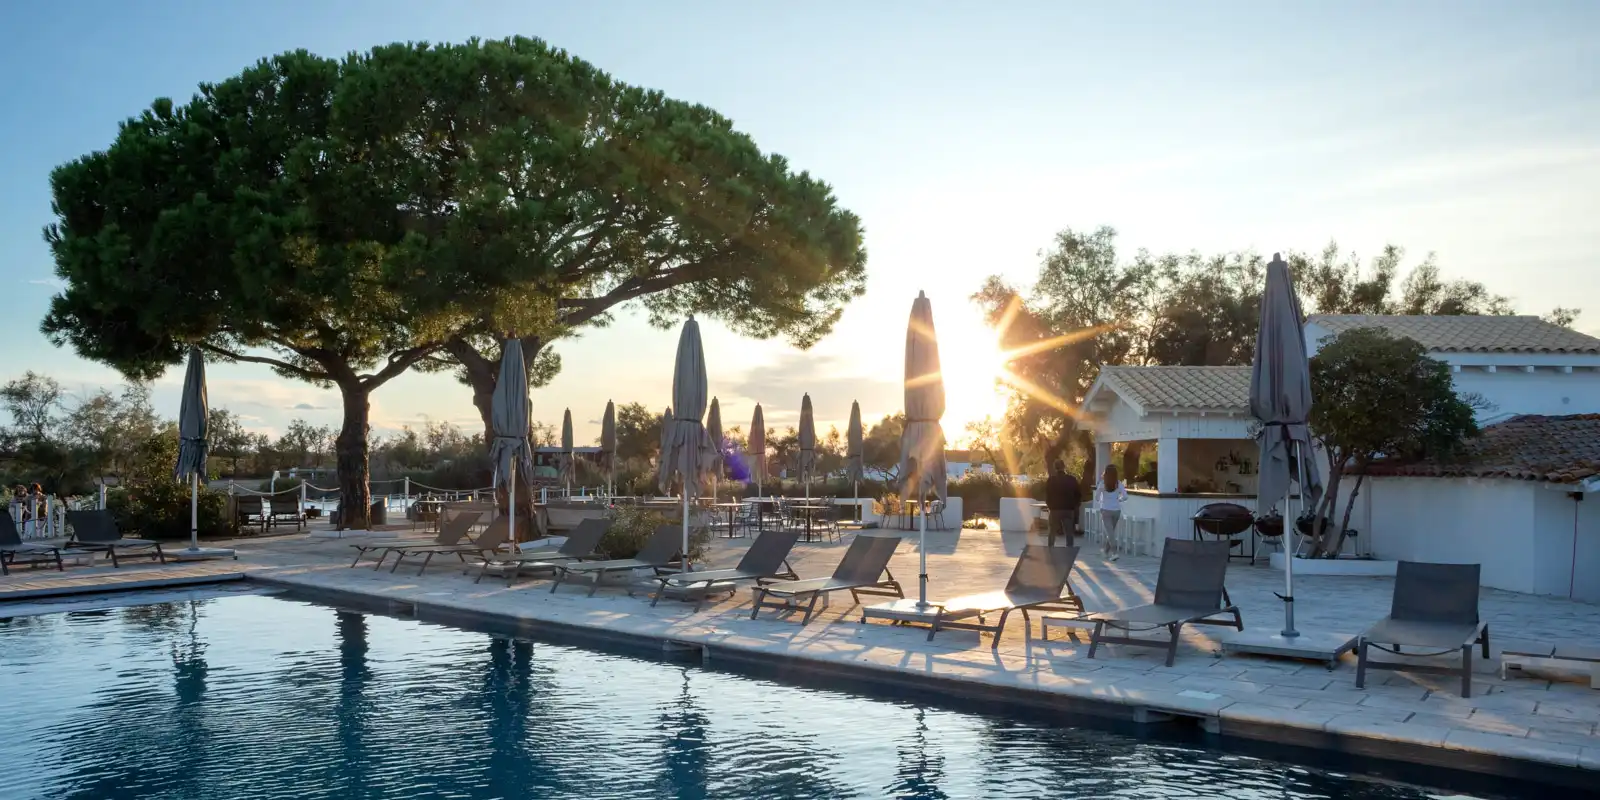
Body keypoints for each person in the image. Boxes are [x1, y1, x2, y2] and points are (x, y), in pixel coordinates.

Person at [1043, 460, 1081, 546]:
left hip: (1055, 510)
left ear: (1055, 468)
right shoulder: (1072, 479)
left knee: (1052, 532)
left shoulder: (1051, 480)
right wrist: (1074, 506)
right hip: (1068, 510)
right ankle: (1069, 552)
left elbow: (1047, 495)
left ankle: (1050, 550)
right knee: (1069, 533)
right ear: (1064, 467)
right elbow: (1078, 495)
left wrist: (1050, 506)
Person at [1095, 465, 1129, 561]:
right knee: (1111, 532)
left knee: (1110, 533)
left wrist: (1101, 500)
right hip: (1116, 511)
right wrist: (1119, 499)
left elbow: (1097, 498)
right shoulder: (1118, 484)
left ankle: (1114, 552)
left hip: (1105, 510)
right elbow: (1126, 496)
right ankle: (1106, 551)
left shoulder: (1102, 484)